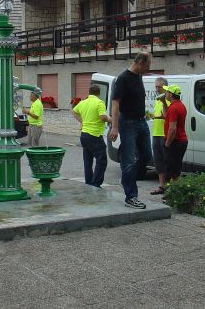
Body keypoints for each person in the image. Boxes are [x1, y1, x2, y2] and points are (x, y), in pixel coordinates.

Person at [109, 52, 153, 209]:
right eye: (148, 65)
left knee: (147, 154)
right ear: (140, 62)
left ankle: (126, 179)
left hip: (142, 122)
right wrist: (115, 126)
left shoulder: (138, 77)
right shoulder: (123, 79)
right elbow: (115, 103)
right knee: (128, 160)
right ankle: (131, 197)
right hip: (127, 123)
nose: (149, 68)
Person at [72, 85, 111, 187]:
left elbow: (74, 111)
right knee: (101, 160)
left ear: (89, 92)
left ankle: (89, 182)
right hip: (95, 135)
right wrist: (112, 120)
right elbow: (103, 117)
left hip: (84, 135)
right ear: (99, 93)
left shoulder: (83, 102)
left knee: (88, 160)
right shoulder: (99, 102)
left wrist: (82, 121)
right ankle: (96, 184)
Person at [149, 77, 170, 195]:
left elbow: (168, 116)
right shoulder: (158, 99)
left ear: (165, 87)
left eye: (159, 87)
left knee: (167, 160)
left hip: (164, 134)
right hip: (156, 133)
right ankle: (161, 186)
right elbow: (160, 115)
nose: (157, 89)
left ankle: (170, 186)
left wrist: (160, 117)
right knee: (158, 161)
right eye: (156, 86)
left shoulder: (167, 99)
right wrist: (154, 116)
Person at [163, 84, 188, 183]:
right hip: (181, 141)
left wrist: (167, 144)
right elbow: (166, 116)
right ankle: (173, 192)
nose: (165, 93)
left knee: (170, 170)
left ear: (171, 94)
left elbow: (172, 129)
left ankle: (169, 194)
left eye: (167, 92)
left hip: (175, 142)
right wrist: (163, 102)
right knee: (175, 169)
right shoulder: (180, 105)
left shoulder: (174, 108)